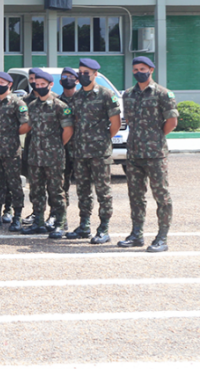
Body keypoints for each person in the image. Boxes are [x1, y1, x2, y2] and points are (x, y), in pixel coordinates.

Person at [118, 56, 178, 253]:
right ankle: (136, 234)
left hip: (155, 153)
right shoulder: (127, 95)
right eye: (135, 69)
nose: (138, 72)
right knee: (135, 196)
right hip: (134, 153)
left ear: (151, 70)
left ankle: (162, 237)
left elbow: (171, 122)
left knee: (161, 195)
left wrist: (155, 137)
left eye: (142, 68)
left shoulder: (163, 94)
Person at [65, 58, 122, 244]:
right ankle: (84, 225)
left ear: (95, 74)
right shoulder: (77, 96)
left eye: (86, 73)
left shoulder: (105, 95)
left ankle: (104, 228)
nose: (82, 76)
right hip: (80, 152)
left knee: (102, 191)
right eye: (80, 72)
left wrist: (103, 140)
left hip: (99, 152)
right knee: (83, 191)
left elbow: (115, 123)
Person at [21, 71, 73, 238]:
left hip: (54, 157)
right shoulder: (32, 106)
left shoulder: (60, 106)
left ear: (51, 85)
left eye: (44, 85)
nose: (40, 87)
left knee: (56, 191)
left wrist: (56, 146)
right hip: (35, 156)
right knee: (36, 191)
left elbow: (68, 130)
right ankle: (39, 223)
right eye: (37, 84)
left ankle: (60, 224)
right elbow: (29, 128)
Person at [0, 71, 29, 229]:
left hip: (11, 151)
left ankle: (17, 216)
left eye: (2, 83)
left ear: (9, 85)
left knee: (14, 184)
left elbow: (25, 125)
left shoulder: (17, 103)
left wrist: (10, 134)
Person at [58, 66, 80, 207]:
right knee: (60, 185)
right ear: (60, 82)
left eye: (71, 77)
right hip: (63, 148)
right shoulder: (57, 102)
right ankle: (61, 218)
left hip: (81, 148)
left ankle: (84, 222)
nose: (68, 80)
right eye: (65, 77)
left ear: (77, 81)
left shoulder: (82, 100)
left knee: (83, 187)